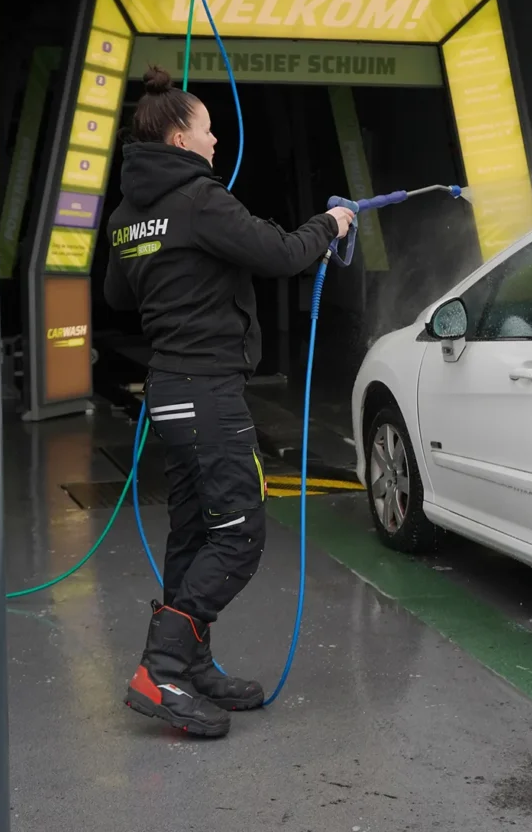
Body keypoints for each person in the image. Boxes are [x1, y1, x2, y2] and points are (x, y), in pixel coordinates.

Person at [104, 65, 354, 738]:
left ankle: (190, 667)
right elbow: (278, 253)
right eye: (210, 131)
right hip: (208, 392)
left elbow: (118, 299)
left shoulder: (128, 216)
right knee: (239, 535)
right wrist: (329, 224)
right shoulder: (200, 201)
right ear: (182, 137)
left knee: (193, 534)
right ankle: (162, 668)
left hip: (169, 393)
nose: (217, 143)